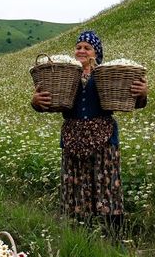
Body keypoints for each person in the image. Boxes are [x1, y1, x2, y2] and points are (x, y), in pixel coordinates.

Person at [30, 30, 148, 241]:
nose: (81, 51)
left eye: (87, 47)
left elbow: (135, 102)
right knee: (75, 187)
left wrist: (142, 94)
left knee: (107, 187)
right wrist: (35, 102)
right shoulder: (63, 75)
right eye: (78, 47)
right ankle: (79, 239)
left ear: (97, 53)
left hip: (104, 138)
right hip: (73, 138)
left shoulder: (107, 75)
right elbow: (44, 103)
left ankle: (114, 239)